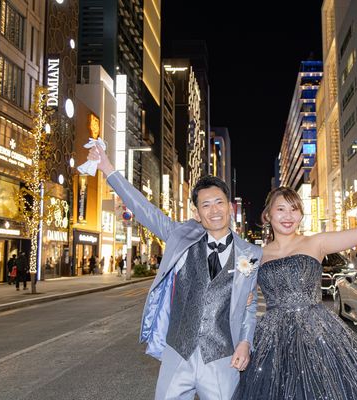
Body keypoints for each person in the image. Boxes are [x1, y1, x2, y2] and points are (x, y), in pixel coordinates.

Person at [88, 143, 262, 400]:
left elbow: (250, 304)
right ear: (197, 213)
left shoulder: (251, 253)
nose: (214, 210)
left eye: (219, 203)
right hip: (178, 354)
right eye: (206, 205)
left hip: (222, 359)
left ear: (230, 207)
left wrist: (245, 342)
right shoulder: (180, 236)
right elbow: (144, 210)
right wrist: (107, 168)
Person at [232, 187, 357, 400]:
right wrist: (242, 298)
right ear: (268, 215)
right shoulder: (255, 255)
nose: (288, 216)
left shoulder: (316, 242)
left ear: (301, 215)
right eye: (281, 209)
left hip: (317, 333)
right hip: (273, 340)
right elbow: (237, 293)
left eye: (294, 209)